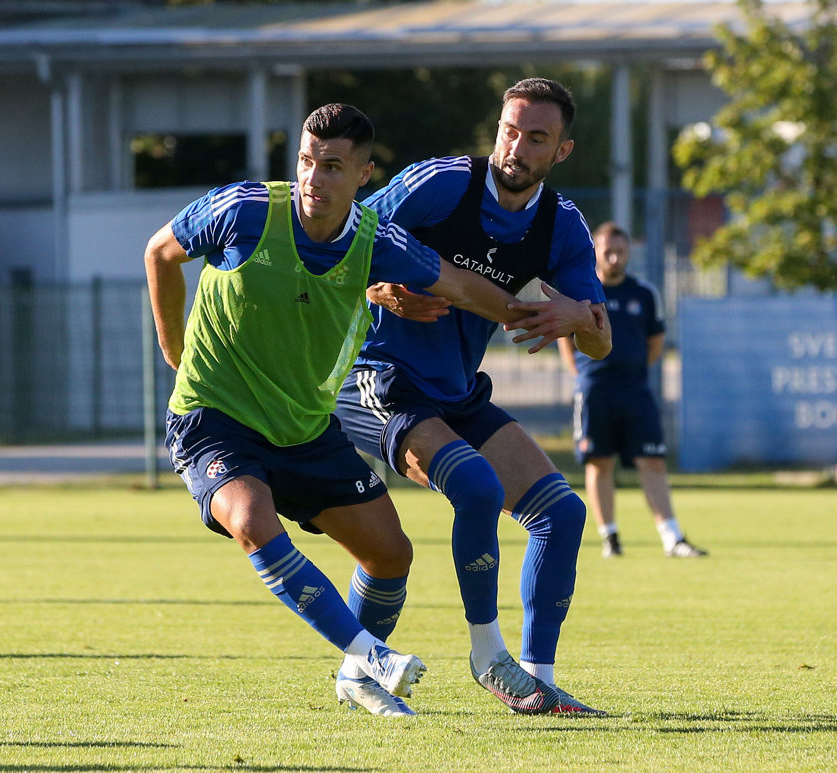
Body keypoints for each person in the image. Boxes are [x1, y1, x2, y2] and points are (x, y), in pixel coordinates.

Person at [145, 103, 560, 718]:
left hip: (304, 428)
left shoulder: (373, 239)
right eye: (307, 162)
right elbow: (159, 252)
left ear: (364, 175)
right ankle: (372, 654)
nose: (314, 179)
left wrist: (542, 316)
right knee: (253, 518)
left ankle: (355, 678)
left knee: (391, 554)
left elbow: (457, 285)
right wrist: (174, 349)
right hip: (215, 417)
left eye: (333, 167)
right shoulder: (244, 210)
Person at [333, 78, 612, 716]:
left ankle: (533, 680)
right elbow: (341, 241)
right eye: (510, 130)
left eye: (535, 137)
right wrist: (383, 290)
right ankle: (488, 655)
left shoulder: (560, 225)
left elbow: (601, 341)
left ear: (561, 151)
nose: (516, 147)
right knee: (478, 488)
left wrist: (573, 317)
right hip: (381, 377)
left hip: (456, 391)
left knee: (562, 514)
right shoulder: (440, 183)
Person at [557, 222, 707, 559]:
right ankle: (610, 537)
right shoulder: (578, 291)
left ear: (628, 253)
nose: (613, 257)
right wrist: (583, 375)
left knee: (652, 460)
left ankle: (673, 538)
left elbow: (655, 344)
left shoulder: (644, 293)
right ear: (595, 250)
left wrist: (633, 369)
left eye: (620, 251)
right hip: (595, 390)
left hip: (635, 389)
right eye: (607, 250)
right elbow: (565, 342)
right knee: (599, 462)